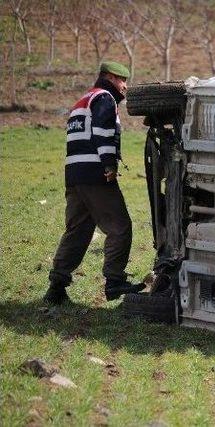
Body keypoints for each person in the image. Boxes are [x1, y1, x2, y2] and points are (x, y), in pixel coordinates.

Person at [44, 61, 145, 305]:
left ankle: (56, 287)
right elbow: (101, 131)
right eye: (123, 80)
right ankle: (114, 280)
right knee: (120, 226)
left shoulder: (82, 100)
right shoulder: (104, 98)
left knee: (77, 230)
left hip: (75, 175)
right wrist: (109, 164)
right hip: (95, 173)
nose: (125, 86)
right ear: (110, 77)